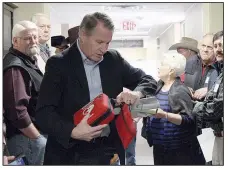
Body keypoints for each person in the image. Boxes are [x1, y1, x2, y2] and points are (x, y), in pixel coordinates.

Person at [35, 12, 157, 165]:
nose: (104, 49)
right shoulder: (58, 64)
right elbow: (43, 113)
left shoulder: (113, 59)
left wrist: (136, 93)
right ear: (83, 35)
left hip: (106, 153)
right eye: (99, 42)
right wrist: (72, 131)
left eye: (108, 43)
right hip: (69, 154)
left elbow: (149, 81)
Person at [144, 52, 206, 165]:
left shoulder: (180, 90)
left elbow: (189, 120)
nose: (159, 67)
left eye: (162, 64)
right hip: (160, 148)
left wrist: (165, 115)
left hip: (178, 151)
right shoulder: (159, 86)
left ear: (171, 71)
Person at [3, 20, 46, 165]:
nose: (33, 41)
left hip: (32, 137)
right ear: (15, 41)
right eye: (28, 38)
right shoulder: (15, 67)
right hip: (27, 139)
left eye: (35, 37)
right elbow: (17, 111)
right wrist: (38, 138)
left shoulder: (27, 60)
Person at [193, 31, 223, 165]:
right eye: (215, 46)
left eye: (220, 45)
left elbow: (217, 106)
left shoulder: (217, 69)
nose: (218, 49)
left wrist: (194, 106)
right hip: (211, 133)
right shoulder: (221, 69)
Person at [193, 34, 218, 101]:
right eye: (203, 45)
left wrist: (209, 90)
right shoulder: (192, 63)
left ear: (215, 49)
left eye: (209, 47)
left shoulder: (220, 68)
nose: (205, 49)